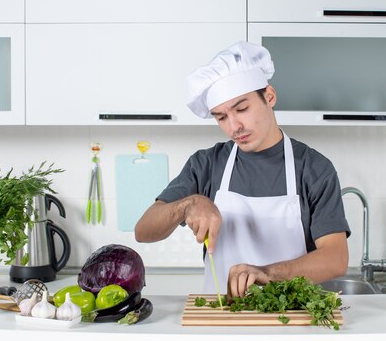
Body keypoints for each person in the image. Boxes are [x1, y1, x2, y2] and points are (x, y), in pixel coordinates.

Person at [134, 41, 350, 297]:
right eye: (221, 117)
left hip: (290, 318)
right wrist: (187, 204)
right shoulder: (206, 164)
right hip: (221, 318)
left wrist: (267, 274)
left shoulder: (314, 169)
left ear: (269, 96)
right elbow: (143, 231)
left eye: (242, 109)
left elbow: (335, 258)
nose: (234, 126)